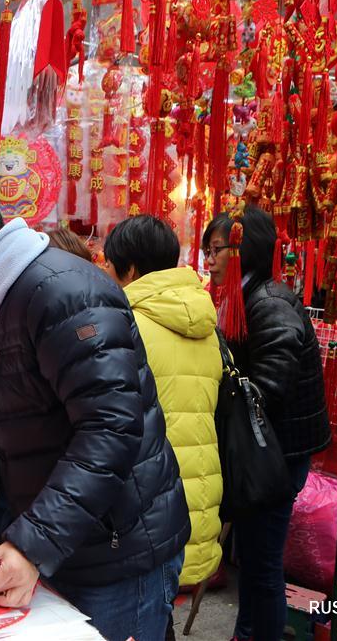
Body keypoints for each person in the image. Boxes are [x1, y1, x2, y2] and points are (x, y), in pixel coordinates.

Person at [0, 169, 189, 641]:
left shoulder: (62, 295)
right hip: (68, 531)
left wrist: (32, 545)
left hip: (116, 548)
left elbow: (109, 430)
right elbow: (2, 422)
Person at [202, 207, 330, 641]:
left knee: (262, 564)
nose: (210, 259)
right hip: (265, 446)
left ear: (244, 250)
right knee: (254, 558)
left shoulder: (269, 302)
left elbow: (270, 385)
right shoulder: (244, 295)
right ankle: (248, 631)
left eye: (216, 249)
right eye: (208, 250)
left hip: (277, 452)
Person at [103, 215, 223, 637]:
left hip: (150, 502)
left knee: (145, 614)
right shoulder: (206, 324)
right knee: (158, 609)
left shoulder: (128, 324)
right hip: (198, 493)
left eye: (110, 265)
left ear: (130, 270)